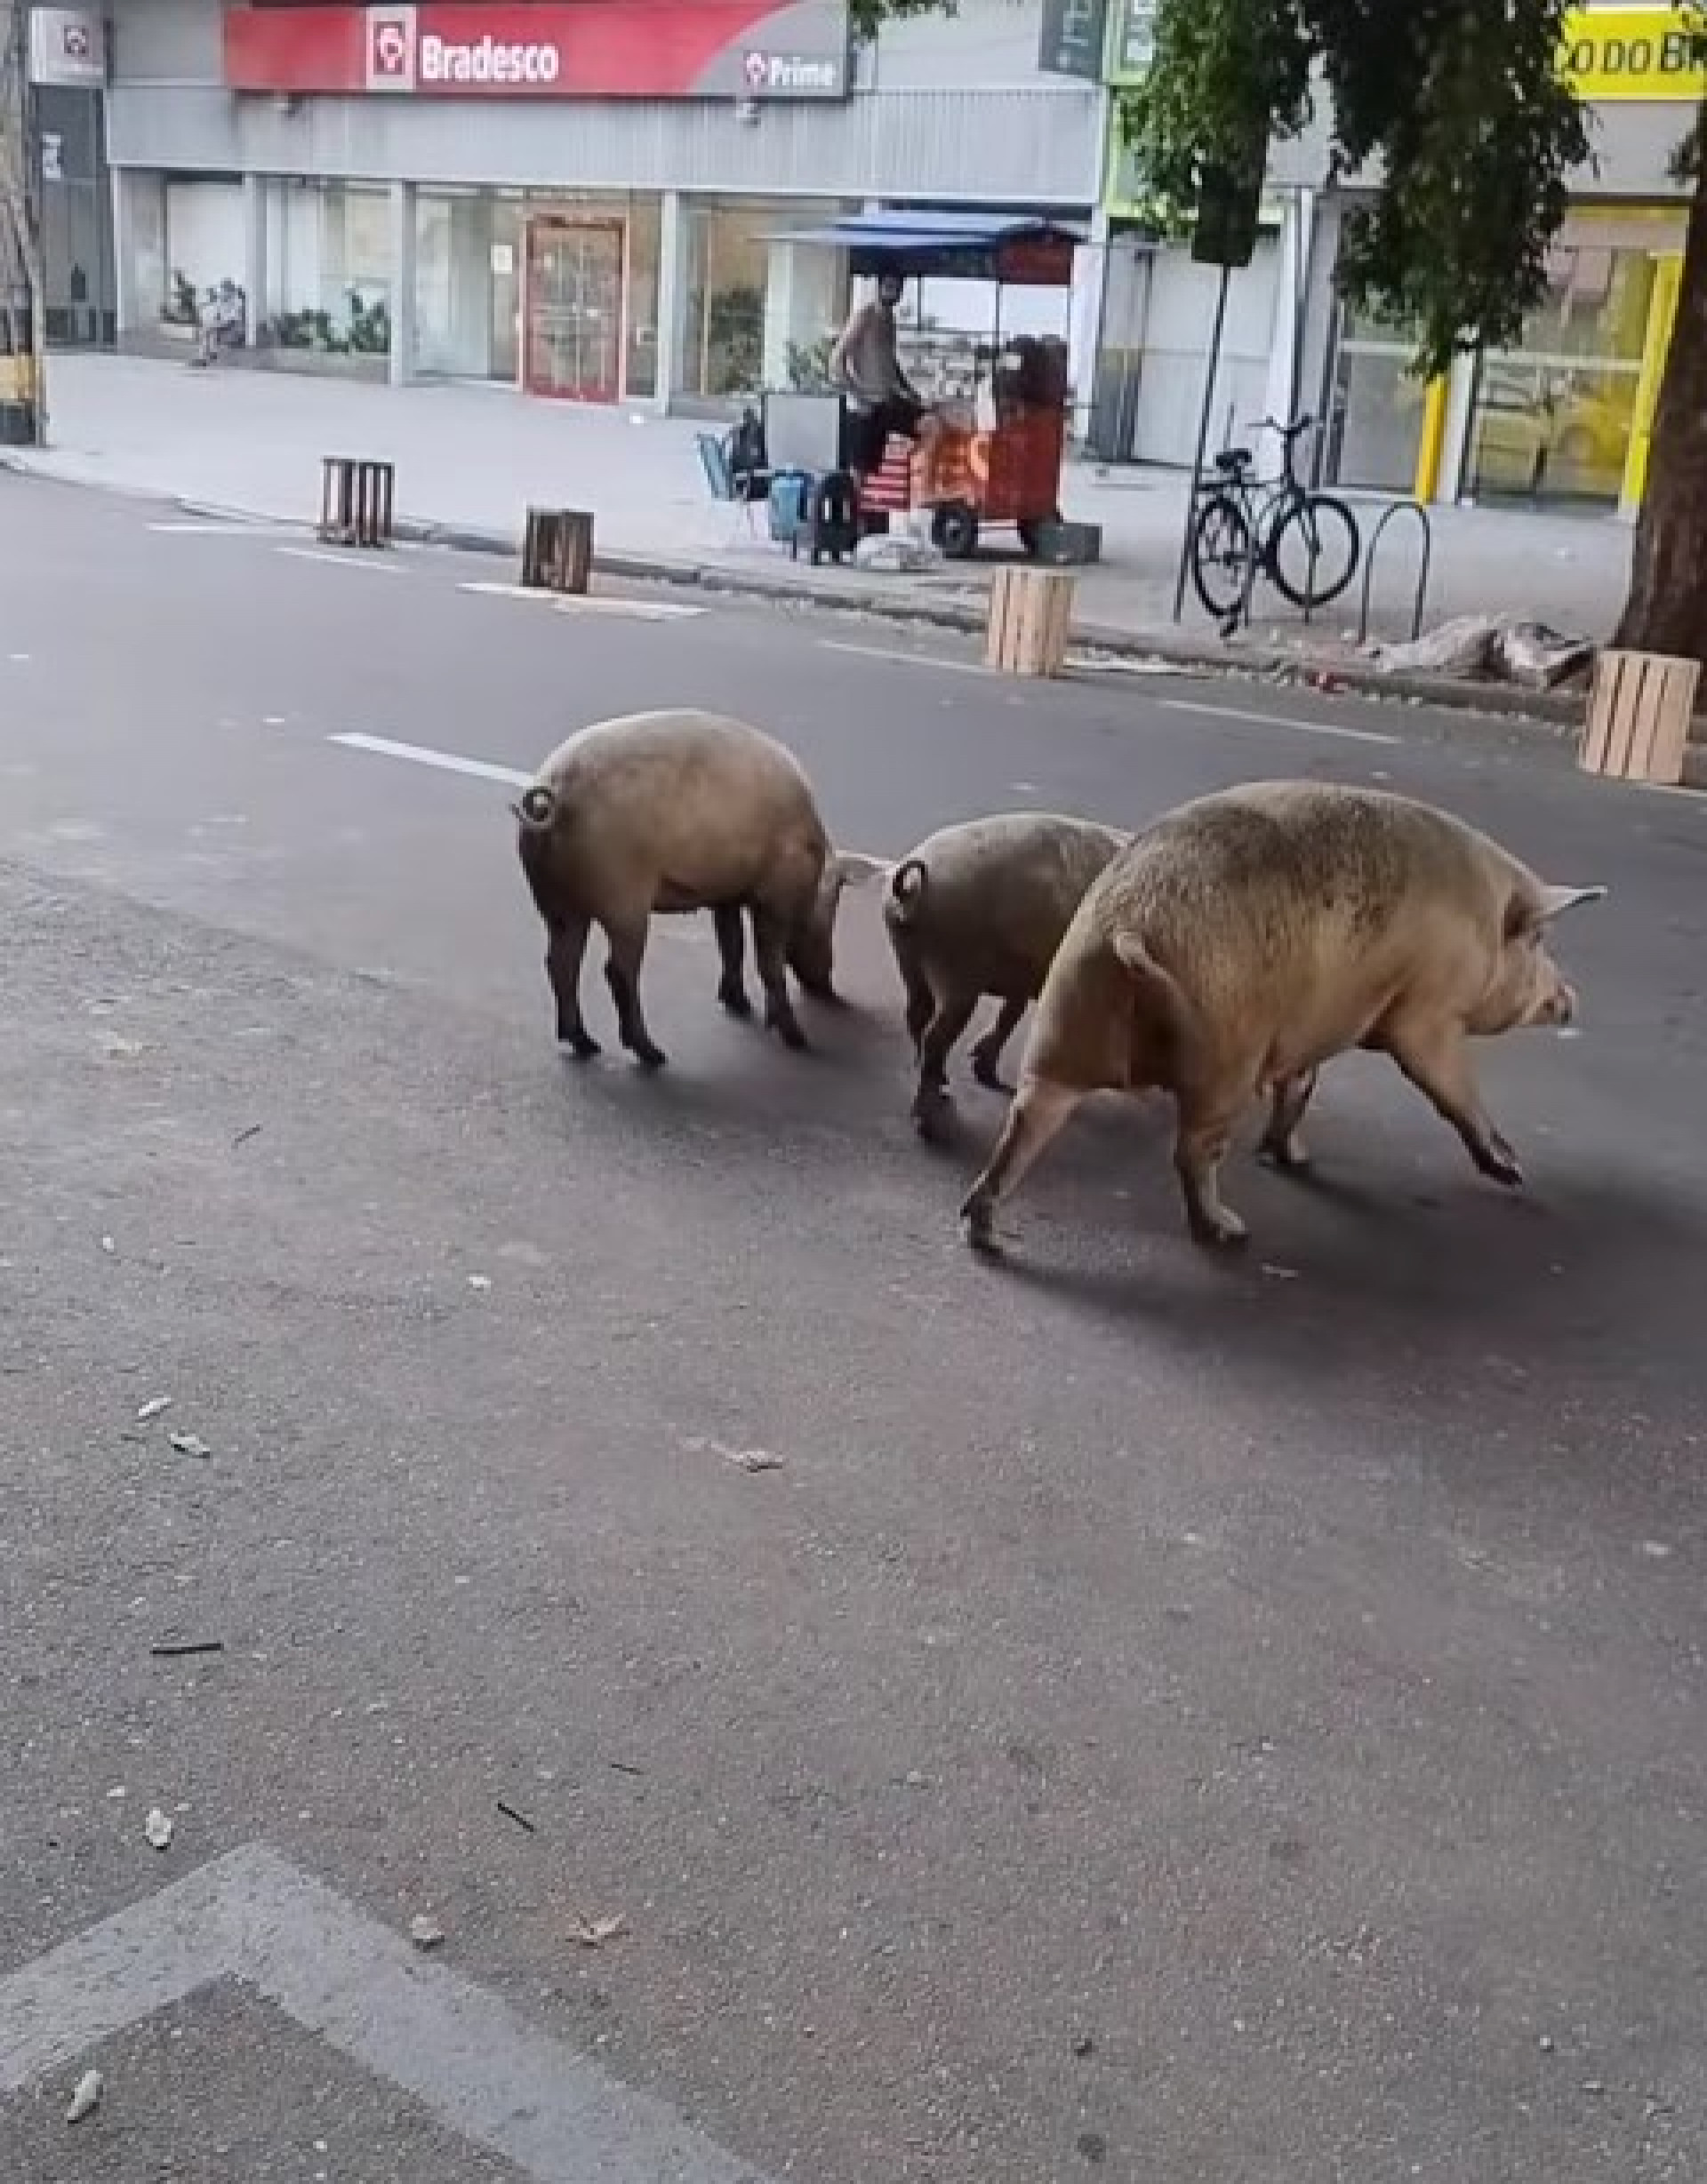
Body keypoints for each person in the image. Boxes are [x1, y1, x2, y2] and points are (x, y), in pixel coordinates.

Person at [829, 270, 923, 477]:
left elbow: (890, 362)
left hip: (885, 401)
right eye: (888, 287)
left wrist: (909, 391)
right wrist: (855, 394)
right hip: (863, 406)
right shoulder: (864, 316)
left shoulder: (889, 320)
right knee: (859, 470)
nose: (892, 293)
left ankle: (871, 506)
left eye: (896, 289)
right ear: (879, 288)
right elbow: (836, 360)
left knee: (873, 465)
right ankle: (851, 507)